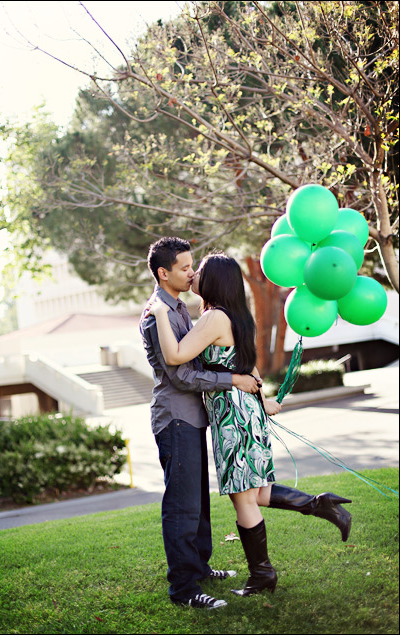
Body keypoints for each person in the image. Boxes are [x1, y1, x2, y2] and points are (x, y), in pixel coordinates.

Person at [150, 251, 352, 598]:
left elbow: (174, 356)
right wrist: (264, 399)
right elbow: (247, 367)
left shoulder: (213, 318)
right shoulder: (237, 316)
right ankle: (320, 505)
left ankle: (262, 575)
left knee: (243, 498)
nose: (193, 274)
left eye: (199, 270)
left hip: (231, 416)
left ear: (214, 281)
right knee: (256, 491)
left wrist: (159, 315)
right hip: (245, 411)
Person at [139, 237, 262, 610]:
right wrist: (232, 381)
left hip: (193, 417)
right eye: (185, 268)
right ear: (164, 273)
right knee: (181, 506)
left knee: (198, 503)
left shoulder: (178, 308)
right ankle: (184, 589)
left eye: (193, 266)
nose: (192, 273)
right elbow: (180, 376)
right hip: (175, 417)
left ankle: (200, 566)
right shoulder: (155, 314)